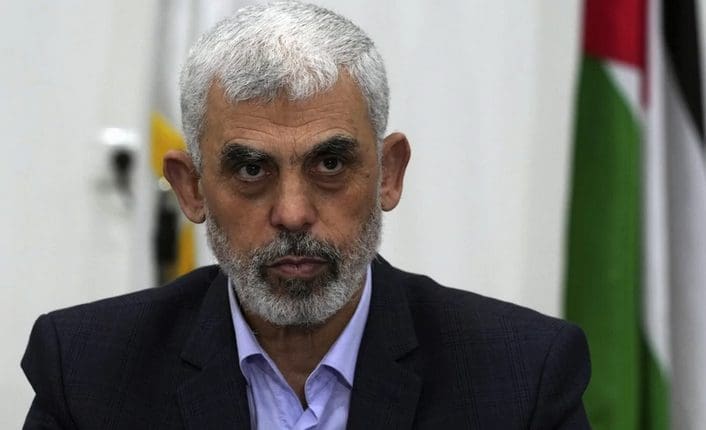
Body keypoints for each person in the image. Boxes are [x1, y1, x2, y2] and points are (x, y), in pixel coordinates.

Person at [21, 2, 591, 429]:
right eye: (251, 169)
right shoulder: (88, 372)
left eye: (330, 164)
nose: (293, 214)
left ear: (389, 173)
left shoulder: (521, 376)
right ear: (191, 189)